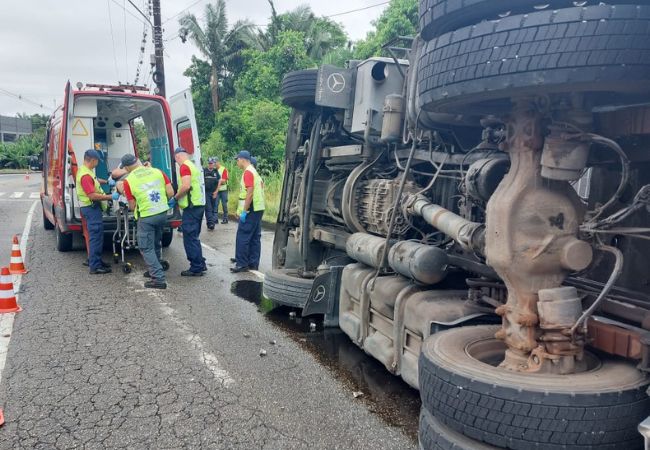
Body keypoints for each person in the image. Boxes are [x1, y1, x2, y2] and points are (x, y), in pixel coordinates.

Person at [120, 154, 174, 289]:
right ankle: (153, 271)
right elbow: (170, 192)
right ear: (137, 161)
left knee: (146, 247)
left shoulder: (128, 181)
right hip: (162, 213)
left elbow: (132, 206)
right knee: (155, 243)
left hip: (147, 216)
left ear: (126, 167)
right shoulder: (158, 172)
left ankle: (158, 279)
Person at [77, 149, 119, 274]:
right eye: (97, 161)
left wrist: (106, 181)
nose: (97, 164)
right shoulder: (85, 175)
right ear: (93, 160)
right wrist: (111, 197)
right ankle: (94, 266)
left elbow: (94, 181)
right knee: (95, 237)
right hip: (91, 207)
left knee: (97, 236)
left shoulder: (86, 171)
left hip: (91, 208)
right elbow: (92, 195)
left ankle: (96, 260)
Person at [172, 147, 207, 276]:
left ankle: (196, 267)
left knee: (190, 238)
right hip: (198, 205)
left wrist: (175, 198)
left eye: (176, 160)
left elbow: (186, 186)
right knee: (194, 237)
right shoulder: (192, 165)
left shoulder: (184, 167)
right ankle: (201, 263)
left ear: (177, 157)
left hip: (191, 207)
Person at [232, 150, 265, 273]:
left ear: (242, 159)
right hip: (258, 208)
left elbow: (249, 193)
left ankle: (241, 264)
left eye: (237, 160)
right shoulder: (254, 171)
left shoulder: (248, 172)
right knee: (255, 237)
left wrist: (244, 211)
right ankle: (253, 263)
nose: (237, 162)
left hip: (251, 209)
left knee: (243, 236)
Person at [203, 157, 221, 230]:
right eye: (209, 163)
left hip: (214, 192)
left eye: (212, 163)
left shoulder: (216, 171)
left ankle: (212, 223)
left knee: (213, 208)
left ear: (213, 164)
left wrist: (216, 191)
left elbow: (220, 181)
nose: (210, 165)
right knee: (208, 208)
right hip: (206, 193)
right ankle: (210, 223)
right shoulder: (204, 171)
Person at [214, 156, 229, 224]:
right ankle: (215, 219)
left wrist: (217, 181)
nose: (214, 164)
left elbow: (224, 180)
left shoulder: (223, 169)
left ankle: (225, 219)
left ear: (218, 162)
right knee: (215, 205)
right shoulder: (214, 170)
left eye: (215, 163)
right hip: (216, 190)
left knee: (224, 205)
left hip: (223, 190)